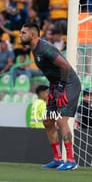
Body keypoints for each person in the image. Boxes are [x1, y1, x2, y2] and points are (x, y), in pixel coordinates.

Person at [20, 22, 81, 171]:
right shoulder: (34, 49)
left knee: (61, 120)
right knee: (47, 121)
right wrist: (54, 88)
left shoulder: (45, 48)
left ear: (32, 35)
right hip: (56, 86)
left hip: (69, 84)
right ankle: (57, 158)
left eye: (23, 33)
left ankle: (71, 161)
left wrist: (60, 87)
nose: (20, 35)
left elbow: (65, 67)